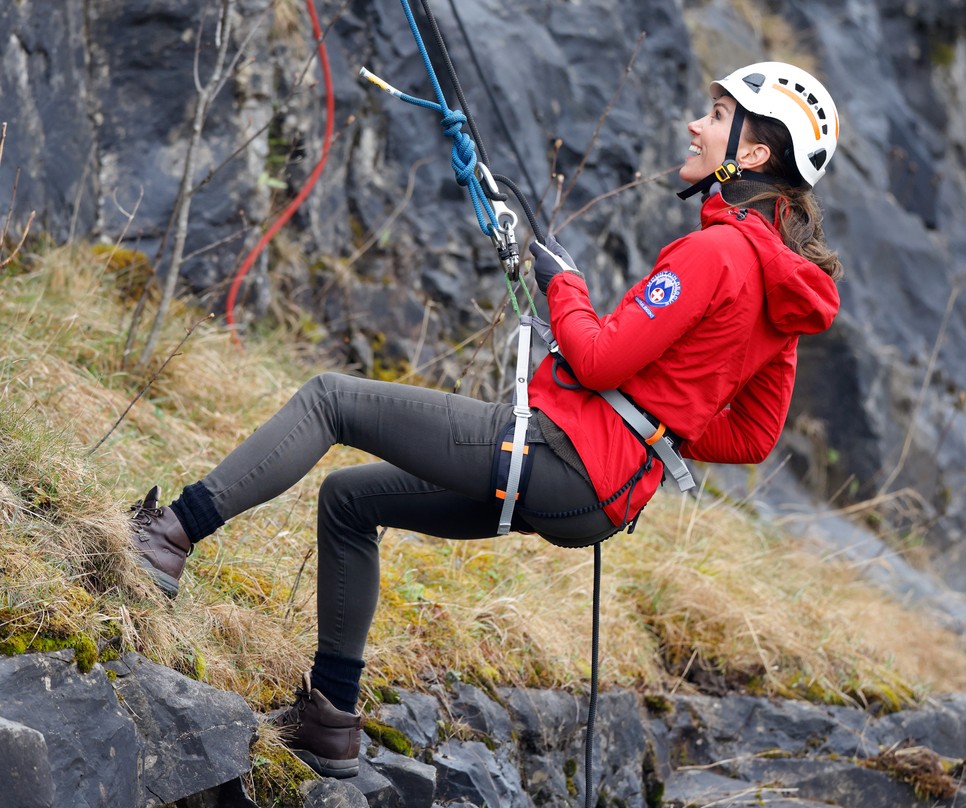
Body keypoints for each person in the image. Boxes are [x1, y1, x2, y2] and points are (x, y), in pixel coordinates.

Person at [129, 61, 842, 778]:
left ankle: (168, 537)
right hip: (597, 499)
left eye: (718, 115)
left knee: (329, 399)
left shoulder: (715, 252)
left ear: (752, 154)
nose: (696, 123)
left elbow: (595, 360)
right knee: (348, 501)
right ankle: (329, 723)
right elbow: (752, 437)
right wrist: (654, 427)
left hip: (559, 456)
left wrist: (565, 284)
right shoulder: (784, 290)